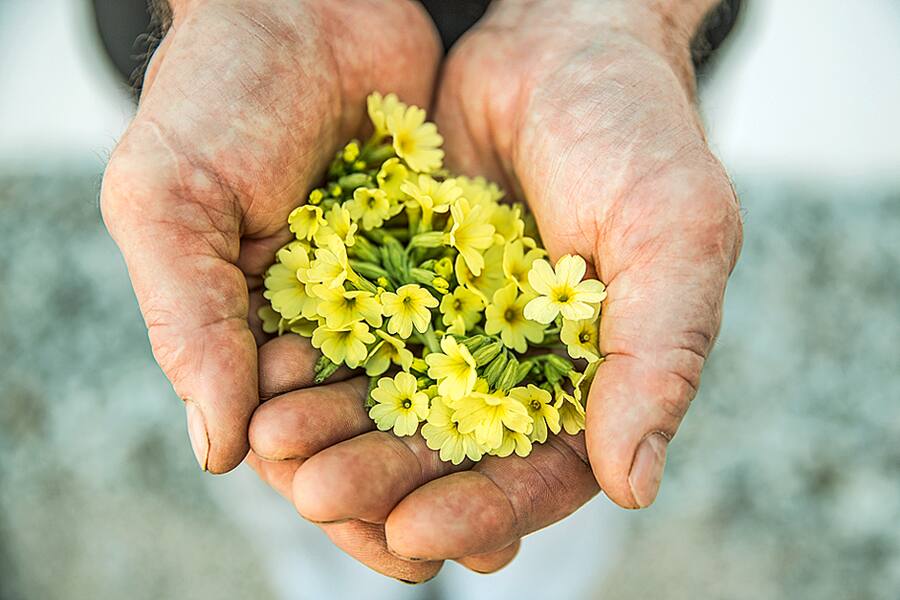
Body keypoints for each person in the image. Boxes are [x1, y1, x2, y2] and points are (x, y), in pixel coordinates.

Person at [99, 0, 743, 584]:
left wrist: (633, 18)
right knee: (265, 421)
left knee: (580, 464)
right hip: (258, 98)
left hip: (596, 89)